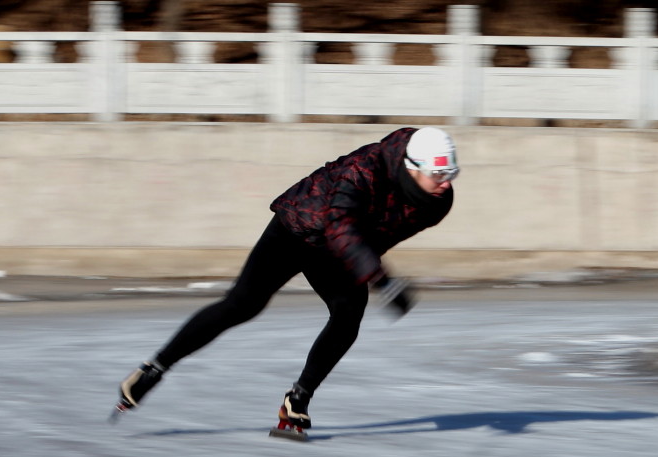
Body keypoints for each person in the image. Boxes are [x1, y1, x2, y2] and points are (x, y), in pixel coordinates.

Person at [110, 127, 459, 440]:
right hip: (298, 228)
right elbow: (340, 222)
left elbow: (381, 235)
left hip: (338, 249)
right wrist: (381, 279)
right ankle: (152, 370)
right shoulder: (365, 168)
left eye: (451, 173)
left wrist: (372, 273)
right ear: (411, 167)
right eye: (439, 174)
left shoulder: (437, 204)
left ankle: (297, 400)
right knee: (243, 305)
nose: (446, 182)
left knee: (348, 313)